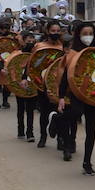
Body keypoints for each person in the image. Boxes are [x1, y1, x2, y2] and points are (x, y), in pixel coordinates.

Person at [57, 22, 95, 173]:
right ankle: (58, 122)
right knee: (74, 114)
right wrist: (61, 96)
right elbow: (65, 76)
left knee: (91, 129)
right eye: (85, 34)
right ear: (78, 36)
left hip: (94, 94)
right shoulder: (73, 53)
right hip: (77, 92)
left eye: (91, 34)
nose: (88, 37)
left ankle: (87, 162)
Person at [32, 20, 66, 149]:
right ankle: (43, 136)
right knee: (44, 112)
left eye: (58, 31)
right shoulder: (39, 46)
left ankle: (60, 139)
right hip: (42, 84)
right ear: (47, 31)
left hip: (59, 84)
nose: (55, 33)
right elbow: (32, 63)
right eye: (53, 31)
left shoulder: (63, 46)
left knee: (60, 113)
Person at [12, 32, 38, 143]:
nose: (30, 43)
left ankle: (30, 133)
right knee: (21, 109)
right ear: (23, 41)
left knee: (30, 110)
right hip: (19, 85)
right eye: (28, 41)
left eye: (32, 41)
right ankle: (21, 130)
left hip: (32, 86)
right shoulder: (16, 54)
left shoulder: (36, 56)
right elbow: (11, 68)